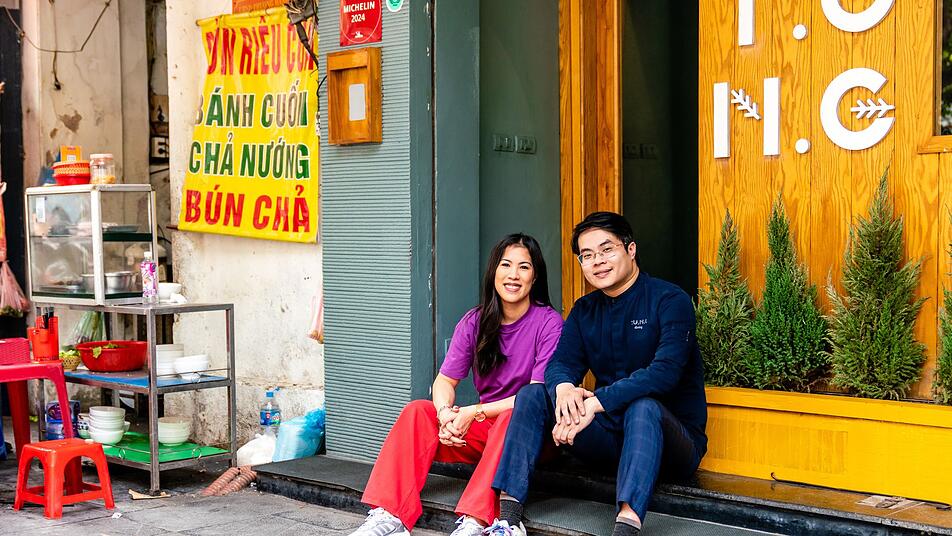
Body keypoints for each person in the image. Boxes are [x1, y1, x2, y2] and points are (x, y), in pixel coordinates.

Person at [491, 212, 708, 536]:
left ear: (631, 249)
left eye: (607, 250)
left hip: (672, 443)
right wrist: (565, 390)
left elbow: (664, 374)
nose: (598, 261)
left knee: (643, 407)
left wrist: (594, 402)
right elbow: (560, 364)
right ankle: (508, 520)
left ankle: (626, 528)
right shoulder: (584, 310)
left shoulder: (669, 300)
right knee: (532, 394)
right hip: (610, 438)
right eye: (587, 255)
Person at [349, 233, 564, 536]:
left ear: (535, 276)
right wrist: (445, 415)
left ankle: (475, 520)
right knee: (417, 412)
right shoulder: (475, 321)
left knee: (510, 418)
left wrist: (473, 412)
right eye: (506, 265)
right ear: (494, 272)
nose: (513, 275)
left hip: (532, 436)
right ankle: (390, 514)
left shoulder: (549, 323)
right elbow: (444, 380)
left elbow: (537, 395)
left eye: (524, 267)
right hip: (484, 430)